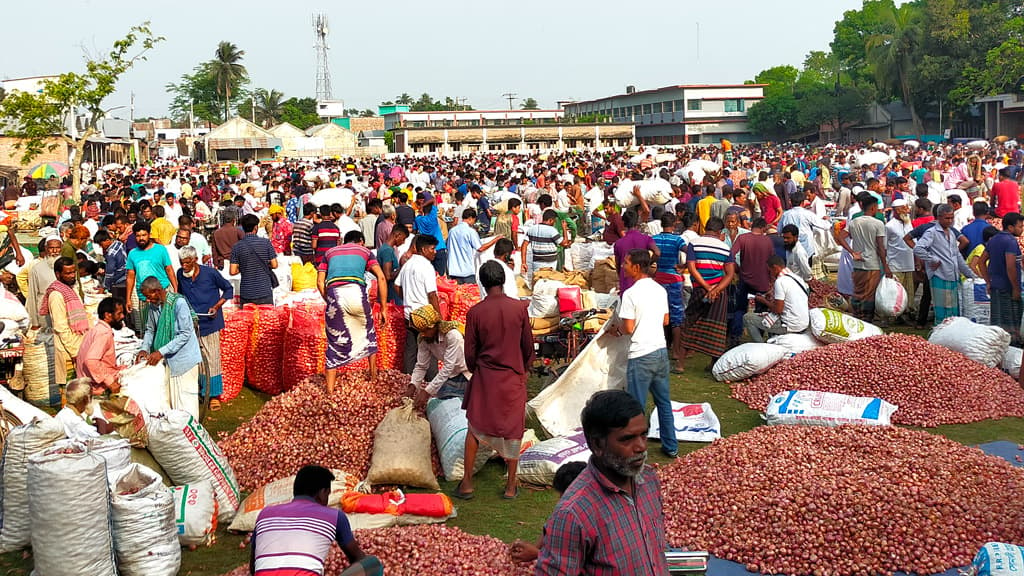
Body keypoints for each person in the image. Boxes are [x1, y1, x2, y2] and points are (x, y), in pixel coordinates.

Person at [534, 389, 671, 575]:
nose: (641, 446)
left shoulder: (649, 480)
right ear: (597, 444)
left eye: (643, 435)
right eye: (627, 439)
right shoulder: (574, 513)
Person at [455, 260, 533, 501]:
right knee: (513, 430)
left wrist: (476, 369)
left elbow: (470, 352)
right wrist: (525, 368)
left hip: (486, 377)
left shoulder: (475, 312)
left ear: (482, 283)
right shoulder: (519, 309)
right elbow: (528, 346)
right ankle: (511, 486)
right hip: (512, 376)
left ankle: (466, 483)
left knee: (475, 428)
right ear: (503, 280)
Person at [250, 465, 383, 576]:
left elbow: (253, 567)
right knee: (372, 564)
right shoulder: (335, 516)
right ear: (322, 493)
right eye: (328, 493)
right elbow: (357, 557)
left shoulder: (265, 514)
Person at [614, 249, 676, 458]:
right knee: (663, 403)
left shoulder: (630, 294)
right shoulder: (660, 290)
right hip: (660, 351)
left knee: (636, 407)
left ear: (637, 267)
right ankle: (671, 446)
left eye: (626, 263)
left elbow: (629, 328)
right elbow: (666, 320)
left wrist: (615, 330)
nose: (623, 266)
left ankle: (636, 451)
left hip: (641, 355)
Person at [317, 230, 387, 392]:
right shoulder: (365, 251)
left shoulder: (329, 252)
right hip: (357, 293)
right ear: (360, 241)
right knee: (368, 333)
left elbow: (320, 282)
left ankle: (329, 391)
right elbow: (381, 278)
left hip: (336, 294)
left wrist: (330, 300)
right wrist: (383, 308)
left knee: (334, 341)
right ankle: (373, 378)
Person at [137, 276, 202, 419]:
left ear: (158, 291)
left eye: (149, 296)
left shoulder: (178, 303)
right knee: (170, 402)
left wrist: (161, 352)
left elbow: (185, 333)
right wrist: (145, 348)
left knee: (186, 403)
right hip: (167, 361)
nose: (148, 300)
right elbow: (150, 330)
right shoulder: (153, 306)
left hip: (184, 360)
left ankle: (190, 434)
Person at [177, 245, 233, 411]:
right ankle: (201, 389)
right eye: (182, 263)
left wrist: (217, 306)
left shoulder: (210, 273)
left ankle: (214, 395)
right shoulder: (181, 275)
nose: (184, 266)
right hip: (192, 323)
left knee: (212, 357)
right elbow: (180, 295)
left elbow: (228, 289)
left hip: (210, 321)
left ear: (195, 260)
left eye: (187, 263)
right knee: (196, 358)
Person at [680, 217, 736, 368]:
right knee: (717, 326)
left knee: (689, 322)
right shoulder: (725, 248)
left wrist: (706, 286)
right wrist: (716, 289)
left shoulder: (694, 244)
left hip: (700, 289)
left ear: (705, 228)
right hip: (719, 291)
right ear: (719, 232)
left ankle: (680, 364)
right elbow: (730, 274)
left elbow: (692, 268)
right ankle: (713, 364)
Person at [508, 461, 588, 563]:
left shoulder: (584, 519)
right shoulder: (568, 509)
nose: (560, 499)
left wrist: (537, 554)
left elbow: (571, 563)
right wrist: (534, 548)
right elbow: (550, 524)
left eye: (563, 495)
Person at [913, 204, 977, 324]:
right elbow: (918, 249)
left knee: (953, 311)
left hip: (953, 276)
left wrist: (971, 275)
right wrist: (932, 259)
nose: (950, 221)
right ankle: (940, 336)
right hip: (939, 276)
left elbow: (957, 256)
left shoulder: (952, 233)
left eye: (952, 218)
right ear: (939, 217)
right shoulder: (932, 232)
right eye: (947, 218)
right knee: (943, 313)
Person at [39, 256, 93, 386]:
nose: (72, 275)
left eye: (73, 272)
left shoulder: (71, 289)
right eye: (67, 273)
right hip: (68, 349)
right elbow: (60, 327)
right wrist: (74, 351)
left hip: (80, 343)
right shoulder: (56, 294)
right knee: (70, 389)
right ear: (58, 274)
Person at [839, 193, 891, 320]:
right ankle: (867, 319)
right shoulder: (878, 224)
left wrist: (852, 252)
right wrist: (886, 266)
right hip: (872, 264)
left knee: (858, 291)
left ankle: (857, 316)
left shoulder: (854, 222)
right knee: (869, 294)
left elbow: (840, 236)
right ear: (873, 208)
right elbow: (880, 247)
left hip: (857, 263)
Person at [395, 235, 442, 374]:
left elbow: (397, 286)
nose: (435, 252)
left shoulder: (408, 264)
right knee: (430, 348)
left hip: (409, 313)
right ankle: (431, 382)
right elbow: (432, 294)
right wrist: (438, 317)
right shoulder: (426, 266)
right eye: (433, 249)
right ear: (423, 249)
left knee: (411, 349)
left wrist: (407, 299)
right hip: (424, 316)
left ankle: (407, 378)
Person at [409, 304, 471, 408]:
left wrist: (427, 391)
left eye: (425, 330)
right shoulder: (423, 339)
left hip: (468, 373)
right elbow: (421, 366)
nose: (422, 334)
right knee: (445, 403)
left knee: (465, 405)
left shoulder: (452, 336)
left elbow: (448, 367)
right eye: (420, 331)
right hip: (452, 376)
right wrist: (413, 385)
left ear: (434, 326)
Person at [744, 256, 810, 342]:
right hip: (803, 322)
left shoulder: (780, 282)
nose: (770, 274)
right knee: (769, 315)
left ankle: (761, 345)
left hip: (790, 324)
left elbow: (778, 310)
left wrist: (764, 301)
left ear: (775, 268)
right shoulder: (797, 278)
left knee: (747, 318)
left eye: (770, 271)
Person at [652, 213, 688, 372]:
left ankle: (662, 347)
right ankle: (676, 351)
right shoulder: (678, 240)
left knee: (659, 315)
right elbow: (691, 252)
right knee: (677, 316)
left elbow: (653, 256)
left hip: (659, 279)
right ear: (674, 225)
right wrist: (684, 265)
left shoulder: (654, 239)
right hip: (674, 279)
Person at [730, 218, 776, 343]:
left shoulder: (742, 238)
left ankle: (735, 337)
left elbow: (731, 254)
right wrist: (772, 281)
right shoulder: (767, 241)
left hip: (744, 279)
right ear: (763, 228)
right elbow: (772, 262)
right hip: (762, 281)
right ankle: (760, 337)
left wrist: (737, 269)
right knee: (762, 311)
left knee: (740, 309)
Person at [983, 212, 1024, 342]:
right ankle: (1012, 349)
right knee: (1011, 320)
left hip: (995, 286)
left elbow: (981, 262)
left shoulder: (994, 239)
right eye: (1020, 226)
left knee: (998, 321)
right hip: (1008, 288)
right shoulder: (1011, 242)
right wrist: (1016, 288)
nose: (1022, 229)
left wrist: (988, 282)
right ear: (1010, 227)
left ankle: (998, 347)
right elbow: (1010, 266)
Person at [125, 222, 177, 322]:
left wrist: (175, 289)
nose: (141, 238)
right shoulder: (132, 254)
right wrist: (128, 299)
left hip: (162, 293)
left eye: (144, 235)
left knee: (165, 325)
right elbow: (130, 277)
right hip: (144, 297)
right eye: (138, 236)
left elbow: (169, 270)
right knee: (146, 327)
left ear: (149, 235)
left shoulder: (161, 249)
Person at [76, 296, 126, 395]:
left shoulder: (97, 329)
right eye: (119, 313)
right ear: (108, 315)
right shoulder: (103, 333)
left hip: (87, 382)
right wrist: (109, 381)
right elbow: (91, 361)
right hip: (95, 387)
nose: (122, 316)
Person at [230, 214, 279, 306]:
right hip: (264, 290)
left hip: (247, 292)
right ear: (256, 228)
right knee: (266, 320)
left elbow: (232, 271)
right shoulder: (266, 243)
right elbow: (275, 265)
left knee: (249, 319)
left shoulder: (237, 246)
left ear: (243, 228)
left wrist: (244, 267)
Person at [885, 199, 917, 321]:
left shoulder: (908, 223)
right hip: (895, 264)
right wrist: (886, 265)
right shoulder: (889, 226)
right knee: (896, 292)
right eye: (904, 208)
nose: (907, 210)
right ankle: (894, 316)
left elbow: (914, 243)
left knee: (909, 291)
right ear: (896, 210)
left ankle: (907, 313)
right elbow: (884, 246)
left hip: (909, 263)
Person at [613, 210, 659, 293]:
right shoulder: (646, 239)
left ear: (624, 223)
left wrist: (621, 277)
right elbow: (657, 253)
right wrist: (647, 264)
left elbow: (618, 264)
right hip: (642, 282)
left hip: (626, 283)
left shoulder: (619, 243)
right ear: (637, 222)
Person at [522, 209, 570, 286]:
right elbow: (564, 243)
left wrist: (523, 262)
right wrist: (564, 228)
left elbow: (524, 245)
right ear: (550, 220)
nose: (554, 223)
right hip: (550, 263)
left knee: (538, 284)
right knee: (549, 285)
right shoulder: (552, 231)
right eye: (554, 221)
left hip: (536, 262)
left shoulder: (532, 229)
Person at [27, 236, 62, 328]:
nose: (55, 251)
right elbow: (32, 295)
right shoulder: (37, 268)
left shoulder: (68, 266)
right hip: (44, 312)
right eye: (51, 248)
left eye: (57, 248)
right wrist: (34, 321)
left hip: (63, 309)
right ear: (46, 249)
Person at [446, 208, 488, 284]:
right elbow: (480, 248)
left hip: (453, 270)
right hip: (467, 271)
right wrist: (495, 239)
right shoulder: (470, 231)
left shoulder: (452, 231)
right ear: (471, 218)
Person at [415, 194, 448, 275]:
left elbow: (414, 230)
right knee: (440, 277)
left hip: (427, 251)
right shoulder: (433, 217)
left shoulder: (418, 219)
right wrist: (424, 205)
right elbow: (434, 199)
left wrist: (420, 210)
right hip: (439, 248)